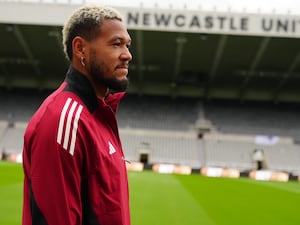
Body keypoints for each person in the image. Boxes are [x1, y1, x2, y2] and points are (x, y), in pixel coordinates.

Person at [22, 5, 132, 225]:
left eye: (128, 45)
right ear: (80, 48)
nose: (127, 55)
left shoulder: (99, 116)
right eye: (116, 44)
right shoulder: (65, 121)